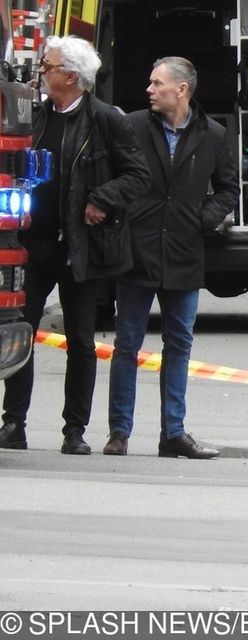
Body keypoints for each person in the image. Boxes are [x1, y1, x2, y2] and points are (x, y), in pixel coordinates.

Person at [0, 37, 150, 455]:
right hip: (33, 244)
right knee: (21, 332)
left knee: (81, 341)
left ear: (71, 75)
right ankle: (14, 423)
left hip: (80, 247)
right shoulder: (35, 117)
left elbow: (138, 176)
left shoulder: (105, 120)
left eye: (46, 67)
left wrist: (102, 199)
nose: (41, 74)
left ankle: (74, 431)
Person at [106, 57, 237, 459]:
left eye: (156, 83)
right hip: (138, 251)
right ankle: (119, 433)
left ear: (181, 90)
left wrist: (202, 220)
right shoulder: (131, 127)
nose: (149, 89)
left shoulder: (212, 135)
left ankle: (173, 434)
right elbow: (111, 177)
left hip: (183, 252)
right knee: (127, 343)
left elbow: (229, 189)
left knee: (178, 344)